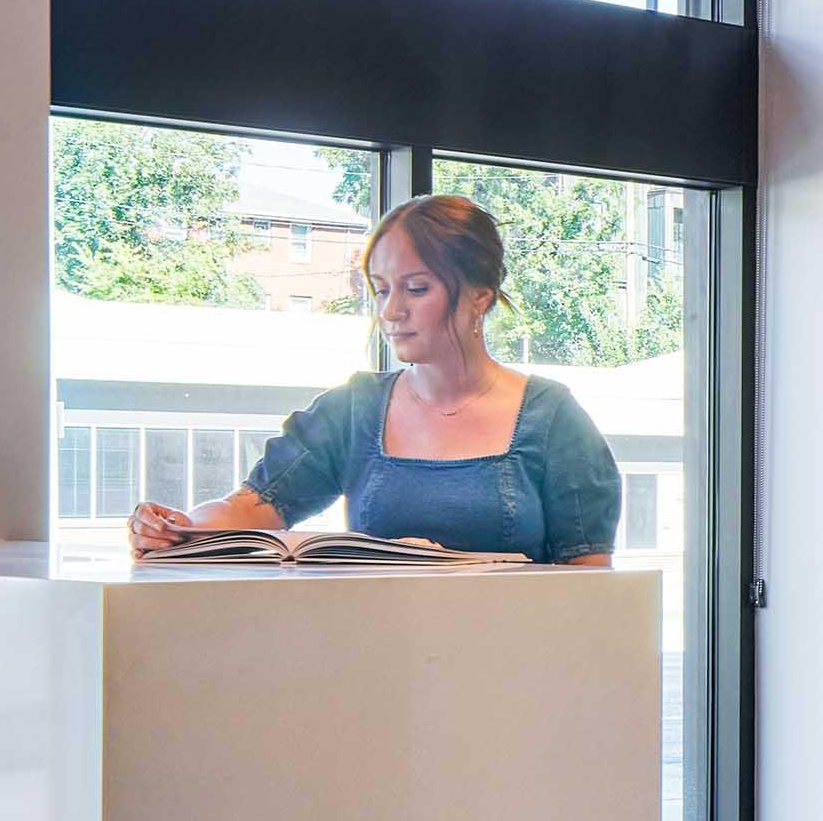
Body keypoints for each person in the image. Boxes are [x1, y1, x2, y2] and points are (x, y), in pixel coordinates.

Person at [127, 195, 621, 565]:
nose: (391, 311)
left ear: (480, 296)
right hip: (380, 659)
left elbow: (591, 584)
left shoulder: (552, 417)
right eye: (381, 290)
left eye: (416, 289)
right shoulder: (354, 409)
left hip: (514, 663)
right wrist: (176, 527)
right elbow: (253, 508)